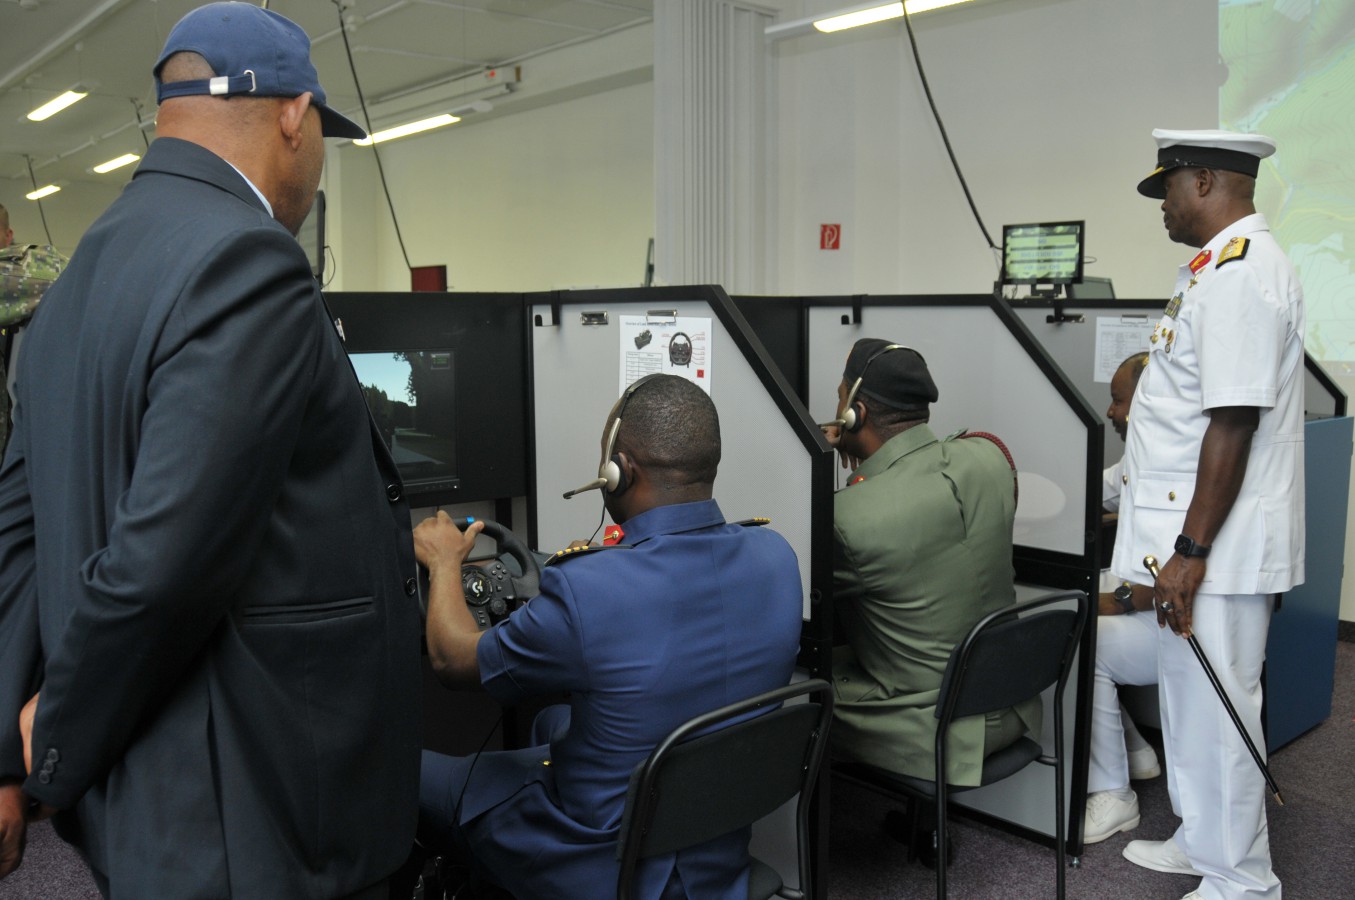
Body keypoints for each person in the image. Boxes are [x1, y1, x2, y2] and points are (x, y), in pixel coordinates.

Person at [0, 4, 422, 897]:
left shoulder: (69, 289)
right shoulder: (249, 261)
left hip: (146, 813)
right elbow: (161, 566)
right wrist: (57, 733)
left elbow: (18, 537)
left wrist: (13, 743)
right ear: (294, 116)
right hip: (255, 813)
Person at [409, 374, 804, 899]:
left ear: (619, 471)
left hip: (608, 862)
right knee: (551, 720)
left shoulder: (587, 590)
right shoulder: (778, 557)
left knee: (403, 771)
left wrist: (443, 563)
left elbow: (451, 660)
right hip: (715, 843)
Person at [1113, 129, 1305, 900]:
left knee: (1221, 712)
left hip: (1214, 548)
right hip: (1192, 541)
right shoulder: (1211, 271)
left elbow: (1231, 421)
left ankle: (1240, 881)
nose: (1160, 204)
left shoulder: (1239, 275)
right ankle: (1203, 841)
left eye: (1164, 187)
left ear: (1201, 182)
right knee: (1190, 703)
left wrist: (1189, 551)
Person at [824, 341, 1037, 823]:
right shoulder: (989, 457)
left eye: (840, 398)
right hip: (1011, 700)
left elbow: (804, 592)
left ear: (856, 413)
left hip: (934, 729)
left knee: (793, 689)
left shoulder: (849, 518)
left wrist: (815, 466)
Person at [1085, 350, 1163, 845]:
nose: (1111, 412)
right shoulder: (1144, 452)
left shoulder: (1184, 462)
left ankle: (1114, 793)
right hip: (1145, 603)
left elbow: (1167, 579)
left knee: (1080, 636)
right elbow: (1099, 490)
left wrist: (1112, 602)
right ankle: (1134, 749)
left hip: (1176, 623)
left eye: (1119, 400)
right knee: (1072, 600)